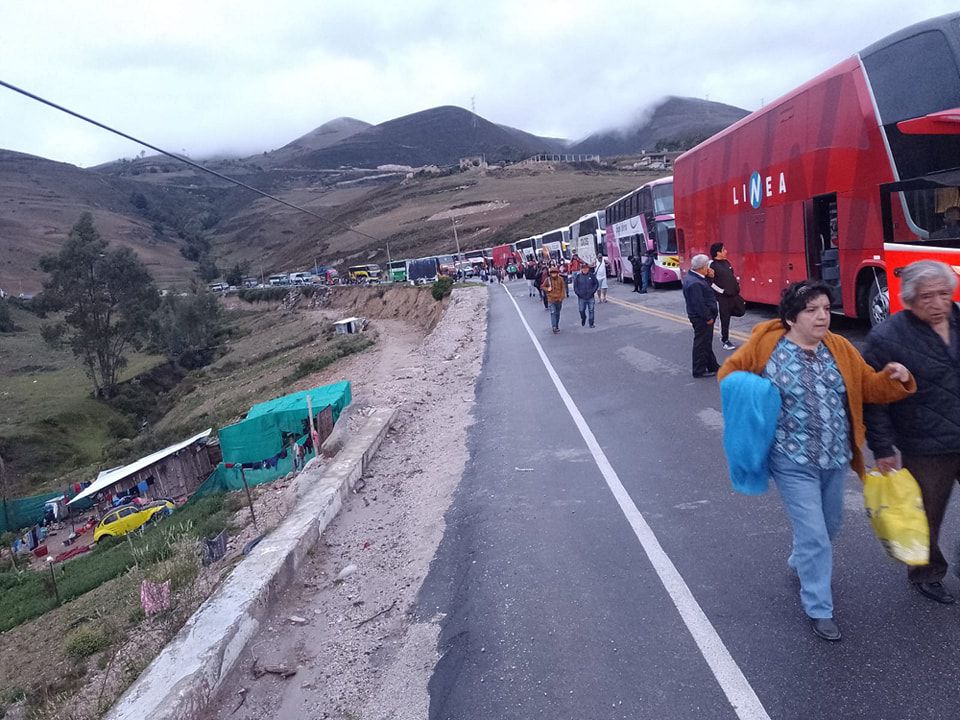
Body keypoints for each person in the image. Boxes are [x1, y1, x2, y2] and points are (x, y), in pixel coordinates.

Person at [719, 280, 914, 641]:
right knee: (815, 535)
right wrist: (757, 393)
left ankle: (800, 561)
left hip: (835, 456)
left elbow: (867, 388)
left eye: (825, 308)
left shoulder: (839, 347)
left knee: (831, 525)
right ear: (792, 318)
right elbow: (729, 376)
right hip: (790, 459)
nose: (822, 316)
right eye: (812, 310)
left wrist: (893, 378)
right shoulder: (766, 342)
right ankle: (819, 607)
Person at [863, 260, 960, 604]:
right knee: (927, 514)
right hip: (925, 442)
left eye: (943, 294)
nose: (937, 303)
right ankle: (926, 573)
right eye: (927, 296)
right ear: (909, 298)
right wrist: (883, 448)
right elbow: (875, 400)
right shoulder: (887, 337)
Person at [682, 255, 720, 378]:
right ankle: (699, 370)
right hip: (701, 318)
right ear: (702, 267)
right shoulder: (695, 283)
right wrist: (708, 317)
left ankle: (713, 366)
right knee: (701, 343)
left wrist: (710, 277)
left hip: (701, 316)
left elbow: (706, 289)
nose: (708, 269)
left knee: (705, 342)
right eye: (707, 267)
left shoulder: (695, 278)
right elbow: (699, 304)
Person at [710, 242, 743, 351]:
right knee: (724, 319)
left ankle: (728, 314)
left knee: (741, 311)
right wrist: (722, 291)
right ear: (718, 252)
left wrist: (736, 285)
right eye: (724, 250)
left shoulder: (726, 262)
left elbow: (731, 275)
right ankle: (725, 340)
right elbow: (710, 283)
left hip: (734, 295)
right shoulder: (712, 265)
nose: (726, 251)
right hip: (722, 298)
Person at [573, 262, 599, 328]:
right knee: (581, 310)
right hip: (581, 297)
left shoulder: (591, 276)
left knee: (591, 310)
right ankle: (583, 318)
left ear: (588, 269)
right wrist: (578, 293)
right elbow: (575, 286)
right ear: (581, 269)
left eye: (586, 268)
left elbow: (596, 284)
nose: (585, 270)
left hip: (590, 297)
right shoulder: (578, 277)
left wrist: (593, 291)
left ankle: (591, 323)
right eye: (583, 268)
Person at [544, 265, 566, 333]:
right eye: (552, 273)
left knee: (557, 313)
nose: (554, 274)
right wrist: (547, 289)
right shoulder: (548, 280)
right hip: (551, 299)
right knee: (553, 313)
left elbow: (563, 288)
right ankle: (554, 327)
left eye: (555, 272)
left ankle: (556, 325)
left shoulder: (561, 279)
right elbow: (543, 286)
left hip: (559, 299)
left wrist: (562, 297)